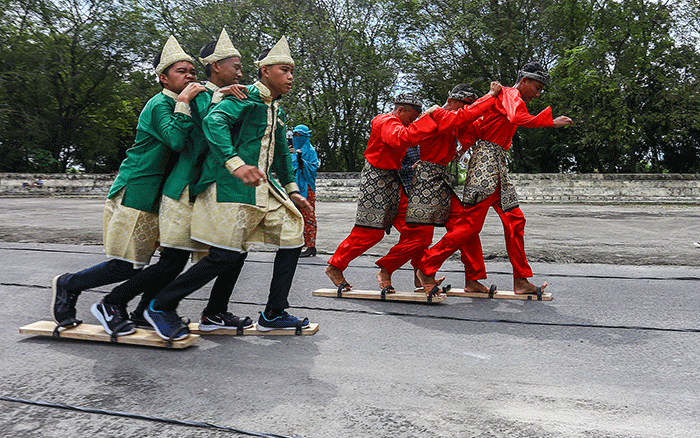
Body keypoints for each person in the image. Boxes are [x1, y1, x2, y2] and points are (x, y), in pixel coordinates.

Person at [143, 36, 314, 341]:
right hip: (228, 186)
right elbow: (214, 122)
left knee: (292, 234)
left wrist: (293, 189)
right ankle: (160, 305)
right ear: (264, 71)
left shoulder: (275, 108)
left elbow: (281, 153)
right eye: (285, 70)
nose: (291, 77)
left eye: (292, 71)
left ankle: (273, 312)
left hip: (264, 189)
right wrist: (235, 163)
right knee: (225, 256)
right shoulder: (242, 97)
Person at [91, 29, 252, 334]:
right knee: (179, 259)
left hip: (203, 188)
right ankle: (122, 303)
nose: (240, 73)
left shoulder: (210, 95)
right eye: (236, 66)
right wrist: (212, 97)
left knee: (215, 255)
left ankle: (150, 309)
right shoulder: (189, 98)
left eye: (191, 70)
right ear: (216, 66)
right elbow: (194, 135)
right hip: (181, 187)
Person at [51, 35, 206, 335]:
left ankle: (139, 310)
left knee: (170, 263)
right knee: (126, 265)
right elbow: (174, 140)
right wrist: (185, 101)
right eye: (181, 72)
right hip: (136, 190)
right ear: (163, 78)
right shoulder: (160, 104)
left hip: (161, 196)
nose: (189, 76)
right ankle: (70, 284)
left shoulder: (183, 105)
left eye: (192, 72)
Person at [416, 62, 573, 296]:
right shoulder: (511, 94)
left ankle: (520, 280)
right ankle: (427, 266)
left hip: (497, 164)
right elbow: (516, 116)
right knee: (470, 225)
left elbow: (477, 127)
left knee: (515, 221)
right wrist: (550, 121)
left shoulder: (503, 97)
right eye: (537, 87)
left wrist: (465, 146)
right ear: (524, 81)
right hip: (486, 166)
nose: (538, 94)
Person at [374, 83, 502, 294]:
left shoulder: (452, 119)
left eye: (469, 105)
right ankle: (386, 270)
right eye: (463, 105)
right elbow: (466, 117)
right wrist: (490, 95)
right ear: (450, 101)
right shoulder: (440, 115)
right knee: (420, 239)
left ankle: (472, 279)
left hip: (440, 181)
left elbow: (475, 127)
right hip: (425, 182)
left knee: (467, 229)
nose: (466, 109)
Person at [324, 94, 439, 291]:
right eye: (412, 118)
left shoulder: (397, 123)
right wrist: (428, 118)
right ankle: (335, 266)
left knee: (418, 230)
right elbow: (404, 138)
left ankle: (419, 275)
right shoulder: (384, 121)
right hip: (376, 182)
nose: (414, 122)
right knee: (370, 234)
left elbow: (412, 137)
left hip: (394, 181)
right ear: (400, 110)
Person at [291, 124, 321, 257]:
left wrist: (300, 159)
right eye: (295, 136)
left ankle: (311, 246)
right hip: (293, 187)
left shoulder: (310, 151)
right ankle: (297, 244)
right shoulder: (291, 151)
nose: (297, 138)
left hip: (306, 187)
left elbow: (313, 168)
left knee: (308, 216)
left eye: (300, 136)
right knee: (294, 215)